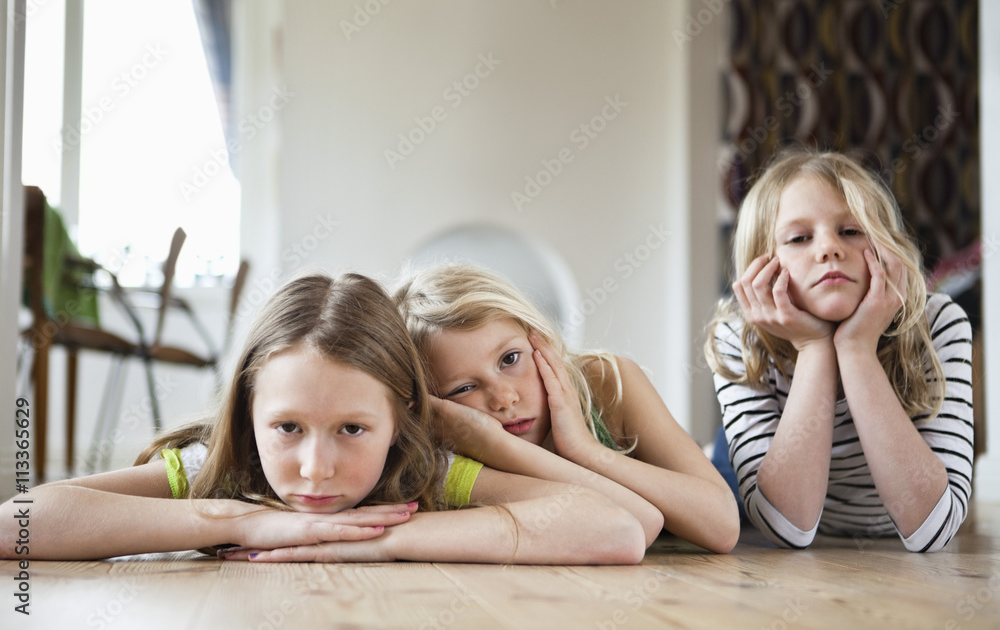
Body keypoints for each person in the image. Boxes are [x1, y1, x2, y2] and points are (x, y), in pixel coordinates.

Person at [1, 273, 653, 564]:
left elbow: (620, 529)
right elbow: (17, 524)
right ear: (247, 414)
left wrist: (378, 541)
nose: (316, 468)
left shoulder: (425, 475)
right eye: (288, 427)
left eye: (352, 429)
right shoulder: (232, 474)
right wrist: (248, 518)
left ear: (401, 423)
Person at [704, 149, 974, 552]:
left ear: (886, 247)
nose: (829, 248)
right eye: (798, 238)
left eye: (851, 231)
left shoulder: (938, 323)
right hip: (757, 456)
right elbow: (788, 528)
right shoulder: (738, 337)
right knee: (703, 493)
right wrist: (814, 348)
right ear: (762, 266)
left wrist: (856, 348)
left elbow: (933, 529)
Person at [394, 264, 740, 554]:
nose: (504, 399)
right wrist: (497, 446)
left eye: (510, 359)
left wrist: (585, 449)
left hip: (720, 478)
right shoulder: (444, 454)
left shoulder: (607, 381)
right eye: (464, 388)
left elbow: (722, 527)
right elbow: (631, 523)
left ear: (537, 338)